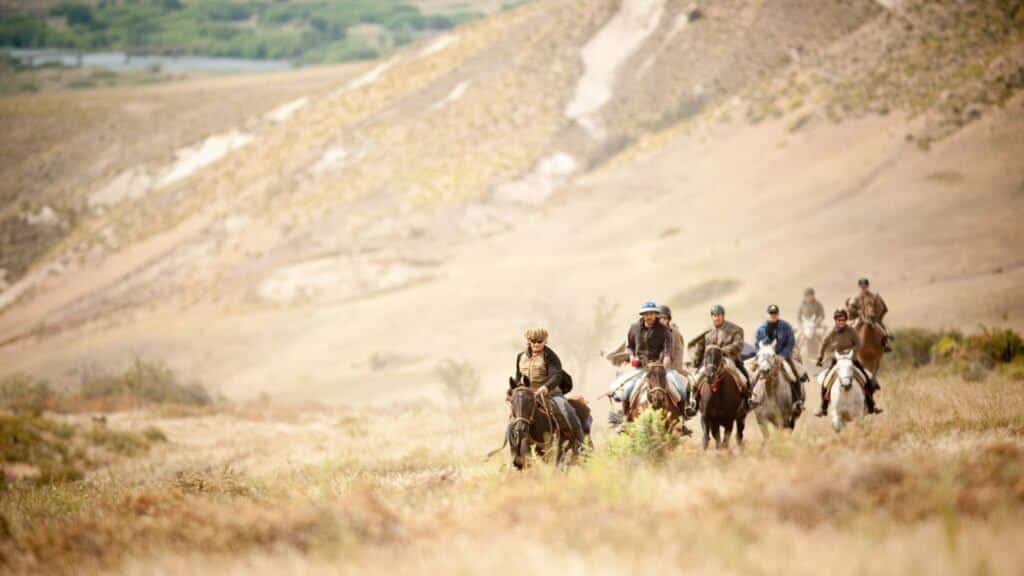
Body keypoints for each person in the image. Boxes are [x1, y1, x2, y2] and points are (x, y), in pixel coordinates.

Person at [514, 328, 586, 446]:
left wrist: (545, 387)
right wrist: (516, 391)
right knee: (514, 419)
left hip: (550, 393)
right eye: (533, 341)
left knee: (567, 411)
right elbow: (518, 377)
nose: (536, 344)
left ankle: (581, 444)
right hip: (528, 395)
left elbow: (556, 375)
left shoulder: (550, 356)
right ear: (528, 341)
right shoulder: (520, 357)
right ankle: (514, 453)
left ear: (545, 341)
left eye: (540, 341)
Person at [609, 301, 676, 419]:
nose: (648, 316)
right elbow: (629, 347)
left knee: (679, 389)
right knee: (626, 391)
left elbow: (668, 349)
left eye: (651, 314)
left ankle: (681, 417)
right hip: (641, 367)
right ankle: (625, 420)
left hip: (660, 368)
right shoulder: (634, 328)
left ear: (656, 314)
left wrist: (666, 358)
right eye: (646, 314)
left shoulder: (664, 330)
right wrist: (632, 357)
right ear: (642, 315)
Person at [814, 309, 883, 416]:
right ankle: (823, 407)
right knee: (825, 382)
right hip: (836, 361)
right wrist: (820, 357)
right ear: (835, 321)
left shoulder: (852, 331)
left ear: (846, 320)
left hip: (851, 360)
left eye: (843, 320)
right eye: (838, 320)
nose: (840, 322)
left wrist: (851, 351)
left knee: (867, 379)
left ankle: (871, 405)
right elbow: (824, 344)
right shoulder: (831, 332)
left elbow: (859, 344)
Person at [688, 304, 749, 412]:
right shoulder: (707, 331)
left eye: (719, 315)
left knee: (744, 378)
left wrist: (721, 351)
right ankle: (693, 403)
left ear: (723, 316)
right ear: (712, 317)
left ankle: (747, 401)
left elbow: (738, 344)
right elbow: (700, 347)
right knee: (695, 380)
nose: (717, 317)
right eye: (714, 315)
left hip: (728, 359)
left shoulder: (735, 329)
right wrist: (695, 362)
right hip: (710, 362)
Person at [753, 304, 807, 416]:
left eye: (775, 314)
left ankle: (797, 400)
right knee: (753, 374)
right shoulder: (760, 329)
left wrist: (782, 355)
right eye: (771, 314)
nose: (773, 316)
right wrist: (760, 354)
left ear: (778, 314)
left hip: (782, 356)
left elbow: (791, 342)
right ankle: (753, 400)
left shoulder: (786, 326)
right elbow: (756, 344)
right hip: (765, 357)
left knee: (794, 373)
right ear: (767, 315)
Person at [847, 278, 892, 352]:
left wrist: (876, 314)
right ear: (859, 287)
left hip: (873, 319)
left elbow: (881, 307)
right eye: (862, 287)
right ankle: (849, 346)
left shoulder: (873, 296)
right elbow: (850, 308)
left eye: (865, 286)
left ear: (868, 286)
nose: (863, 288)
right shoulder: (855, 298)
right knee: (851, 329)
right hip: (860, 318)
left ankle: (885, 345)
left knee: (884, 330)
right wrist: (858, 312)